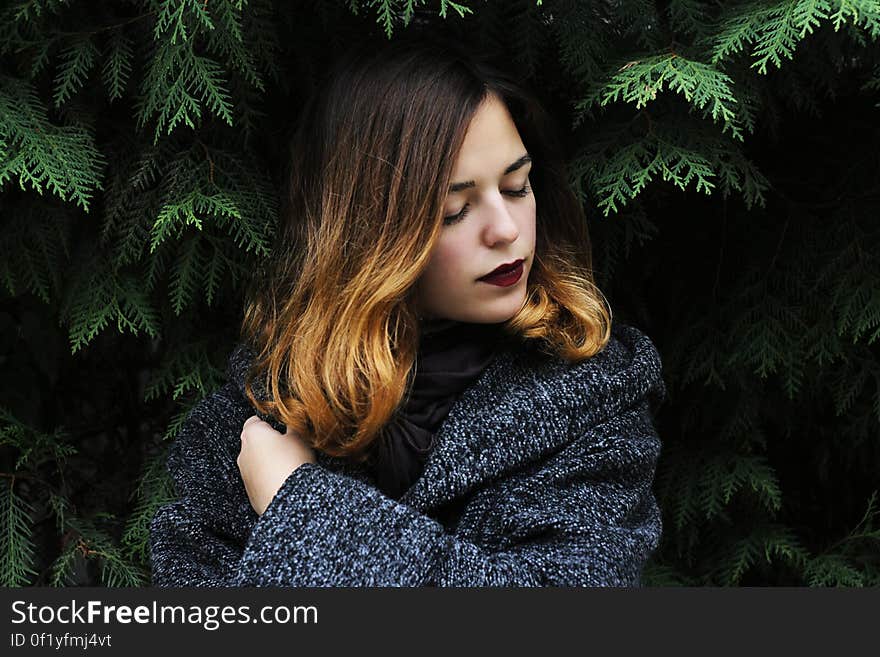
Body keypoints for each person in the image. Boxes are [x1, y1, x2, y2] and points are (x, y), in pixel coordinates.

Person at [149, 34, 667, 587]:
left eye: (517, 187)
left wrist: (298, 504)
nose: (507, 230)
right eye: (454, 210)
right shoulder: (261, 418)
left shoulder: (595, 403)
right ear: (371, 233)